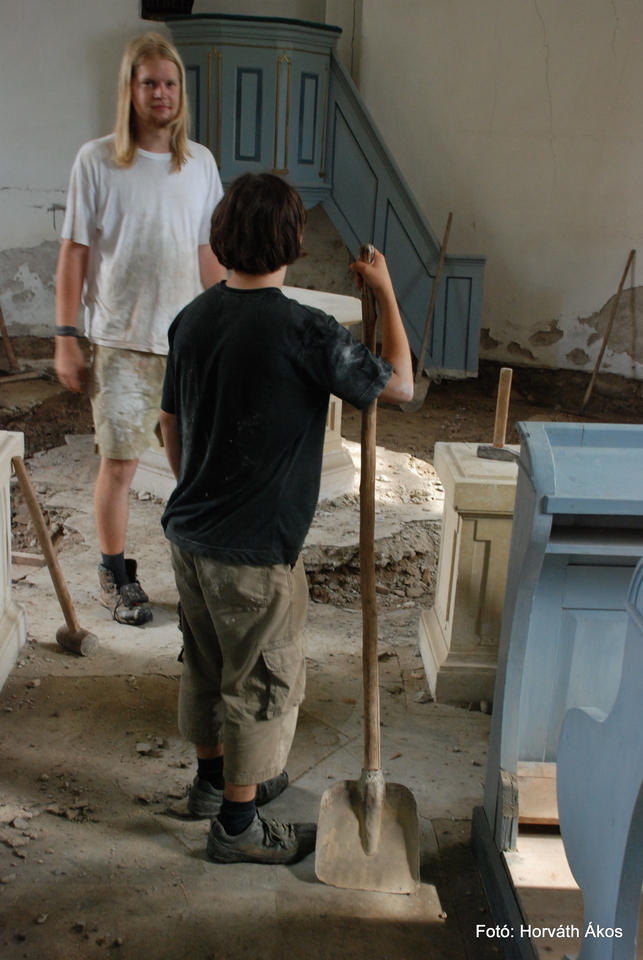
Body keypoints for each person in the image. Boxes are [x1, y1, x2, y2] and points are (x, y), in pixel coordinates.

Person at [158, 171, 414, 865]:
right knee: (258, 685)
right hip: (254, 552)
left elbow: (169, 425)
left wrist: (198, 488)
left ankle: (212, 785)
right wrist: (385, 291)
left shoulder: (192, 318)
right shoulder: (305, 330)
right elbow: (400, 385)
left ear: (222, 234)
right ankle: (237, 827)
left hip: (189, 535)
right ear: (292, 241)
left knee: (206, 665)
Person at [54, 32, 226, 626]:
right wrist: (65, 335)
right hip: (122, 342)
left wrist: (228, 319)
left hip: (188, 343)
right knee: (121, 464)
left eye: (170, 83)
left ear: (181, 91)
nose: (161, 93)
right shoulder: (97, 160)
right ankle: (115, 574)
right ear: (130, 88)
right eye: (150, 82)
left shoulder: (200, 163)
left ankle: (205, 573)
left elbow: (208, 250)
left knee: (195, 467)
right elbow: (75, 252)